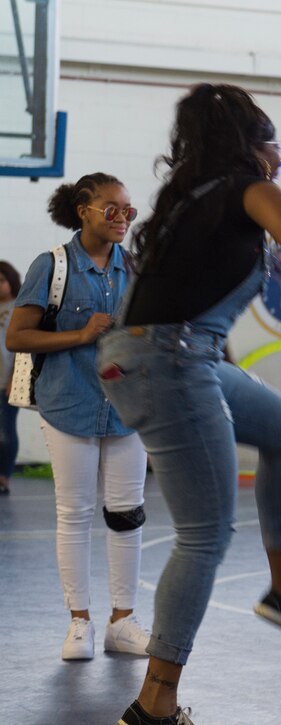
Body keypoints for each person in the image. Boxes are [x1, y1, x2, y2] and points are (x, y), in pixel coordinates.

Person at [96, 84, 281, 725]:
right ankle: (154, 702)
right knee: (204, 536)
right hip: (172, 360)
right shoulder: (248, 186)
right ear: (252, 144)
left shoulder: (185, 200)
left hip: (168, 356)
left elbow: (178, 296)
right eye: (275, 141)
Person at [6, 175, 151, 660]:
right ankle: (79, 623)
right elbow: (18, 337)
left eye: (128, 211)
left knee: (127, 514)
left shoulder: (132, 267)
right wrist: (81, 335)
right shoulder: (52, 266)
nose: (122, 219)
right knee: (74, 514)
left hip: (128, 409)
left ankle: (122, 621)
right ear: (83, 209)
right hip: (68, 404)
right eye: (111, 208)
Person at [0, 261, 21, 495]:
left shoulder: (19, 308)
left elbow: (20, 348)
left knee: (5, 431)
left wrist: (14, 378)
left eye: (1, 280)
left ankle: (3, 476)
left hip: (6, 380)